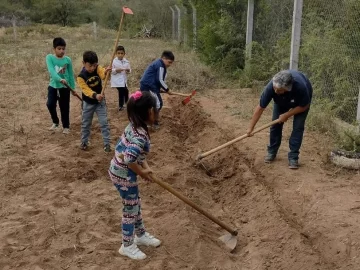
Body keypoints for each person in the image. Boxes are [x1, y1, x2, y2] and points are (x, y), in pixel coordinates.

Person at [108, 91, 161, 260]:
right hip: (123, 175)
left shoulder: (134, 125)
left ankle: (140, 235)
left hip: (121, 170)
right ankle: (127, 245)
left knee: (135, 203)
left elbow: (137, 157)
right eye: (155, 109)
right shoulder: (140, 136)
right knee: (130, 209)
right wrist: (142, 172)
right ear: (149, 112)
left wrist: (147, 168)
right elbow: (130, 159)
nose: (157, 112)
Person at [247, 70, 313, 169]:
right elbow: (260, 107)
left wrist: (287, 114)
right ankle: (272, 151)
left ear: (288, 89)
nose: (276, 91)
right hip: (281, 102)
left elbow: (304, 106)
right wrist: (250, 128)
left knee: (298, 127)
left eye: (279, 90)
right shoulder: (271, 87)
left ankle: (293, 157)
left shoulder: (300, 87)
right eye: (275, 88)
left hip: (300, 104)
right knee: (275, 124)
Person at [77, 51, 112, 152]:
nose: (93, 68)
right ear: (83, 63)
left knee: (104, 123)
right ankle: (84, 142)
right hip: (88, 103)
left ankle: (107, 144)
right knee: (86, 123)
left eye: (94, 65)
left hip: (100, 103)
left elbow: (103, 75)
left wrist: (106, 72)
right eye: (90, 65)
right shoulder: (81, 76)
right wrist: (95, 95)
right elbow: (86, 90)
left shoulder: (98, 68)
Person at [45, 37, 76, 134]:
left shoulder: (67, 60)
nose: (62, 51)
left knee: (64, 107)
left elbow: (71, 74)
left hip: (65, 87)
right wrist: (59, 79)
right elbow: (52, 71)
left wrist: (73, 88)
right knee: (50, 104)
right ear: (54, 49)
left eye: (63, 49)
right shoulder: (49, 58)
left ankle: (66, 126)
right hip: (53, 86)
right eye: (59, 49)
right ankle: (55, 122)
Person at [140, 50, 174, 129]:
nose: (170, 64)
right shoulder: (160, 65)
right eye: (169, 62)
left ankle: (150, 121)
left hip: (148, 85)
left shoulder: (158, 63)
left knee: (150, 104)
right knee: (158, 104)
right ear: (163, 58)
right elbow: (159, 80)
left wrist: (160, 89)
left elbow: (156, 79)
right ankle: (151, 122)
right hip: (149, 86)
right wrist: (167, 89)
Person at [111, 45, 131, 111]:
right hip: (117, 80)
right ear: (116, 54)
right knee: (122, 91)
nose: (120, 55)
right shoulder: (113, 61)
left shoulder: (126, 61)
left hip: (123, 80)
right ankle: (121, 105)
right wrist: (116, 70)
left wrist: (128, 70)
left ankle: (126, 104)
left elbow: (129, 70)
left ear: (124, 54)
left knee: (125, 91)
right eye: (118, 53)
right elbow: (111, 71)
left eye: (122, 53)